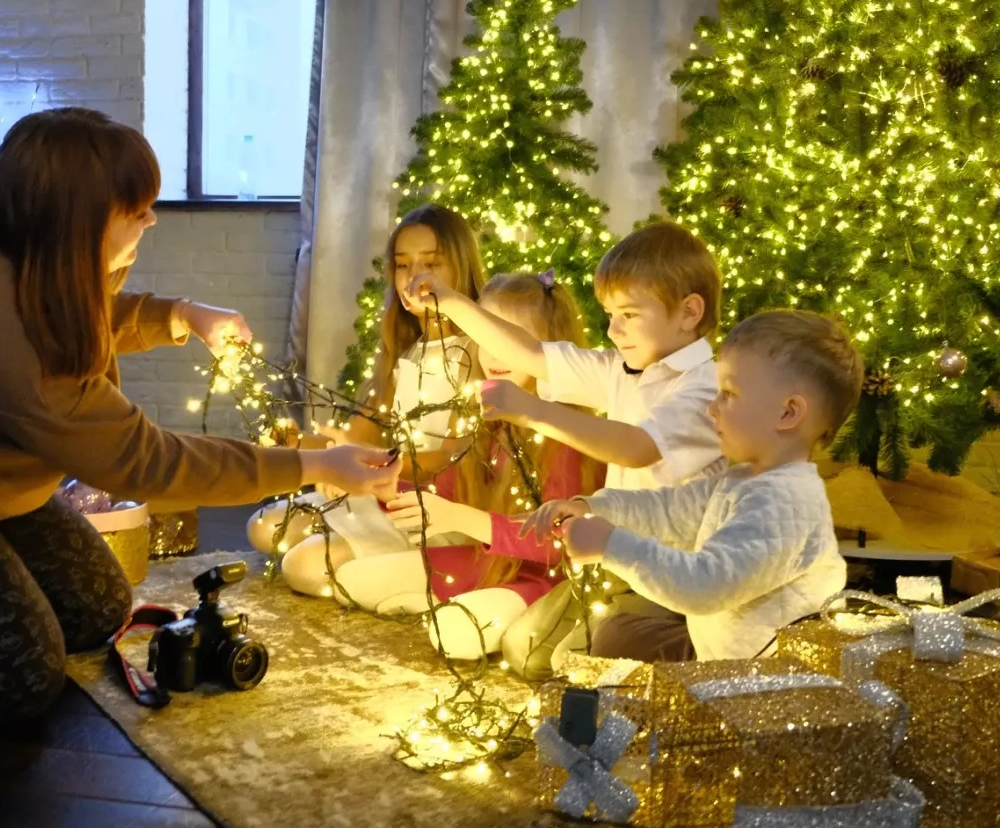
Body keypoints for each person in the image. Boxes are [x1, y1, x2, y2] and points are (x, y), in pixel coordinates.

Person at [0, 108, 399, 723]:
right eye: (134, 210)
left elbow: (77, 314)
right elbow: (144, 459)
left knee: (97, 609)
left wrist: (178, 315)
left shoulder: (5, 241)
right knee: (17, 673)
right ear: (74, 219)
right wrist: (311, 465)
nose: (151, 221)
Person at [527, 309, 862, 662]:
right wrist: (594, 508)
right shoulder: (743, 479)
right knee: (615, 635)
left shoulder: (788, 505)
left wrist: (611, 545)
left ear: (788, 413)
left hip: (765, 683)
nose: (711, 408)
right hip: (719, 653)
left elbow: (704, 585)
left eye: (728, 394)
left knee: (613, 652)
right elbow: (668, 510)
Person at [326, 272, 605, 659]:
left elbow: (559, 545)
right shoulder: (486, 416)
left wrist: (461, 518)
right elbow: (456, 489)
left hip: (545, 581)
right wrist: (389, 487)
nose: (492, 354)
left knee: (456, 633)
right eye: (484, 338)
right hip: (489, 564)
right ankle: (442, 601)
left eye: (508, 338)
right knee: (348, 581)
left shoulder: (565, 431)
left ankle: (446, 608)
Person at [246, 204, 485, 595]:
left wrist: (367, 469)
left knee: (304, 567)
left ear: (461, 267)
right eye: (403, 265)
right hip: (384, 492)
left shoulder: (478, 352)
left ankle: (413, 569)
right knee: (263, 527)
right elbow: (358, 437)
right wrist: (293, 447)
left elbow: (451, 461)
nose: (416, 278)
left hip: (436, 511)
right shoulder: (404, 350)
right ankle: (373, 559)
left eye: (432, 263)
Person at [406, 220, 724, 492]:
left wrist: (534, 411)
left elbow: (638, 447)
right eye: (610, 314)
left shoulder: (708, 388)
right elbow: (529, 354)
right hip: (627, 557)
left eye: (629, 314)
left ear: (689, 312)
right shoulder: (622, 370)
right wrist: (448, 301)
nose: (613, 330)